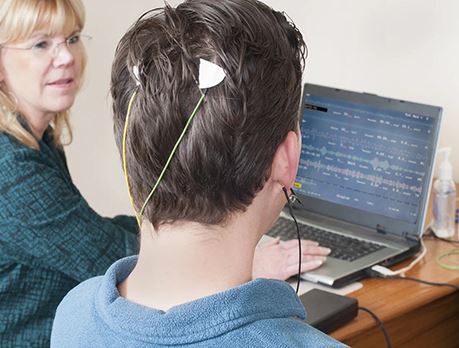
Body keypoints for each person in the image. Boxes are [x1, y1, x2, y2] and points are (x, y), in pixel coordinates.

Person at [0, 1, 329, 346]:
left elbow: (83, 229)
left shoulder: (75, 309)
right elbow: (96, 249)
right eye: (40, 43)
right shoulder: (11, 170)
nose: (66, 56)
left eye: (72, 38)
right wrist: (245, 258)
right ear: (288, 158)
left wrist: (176, 220)